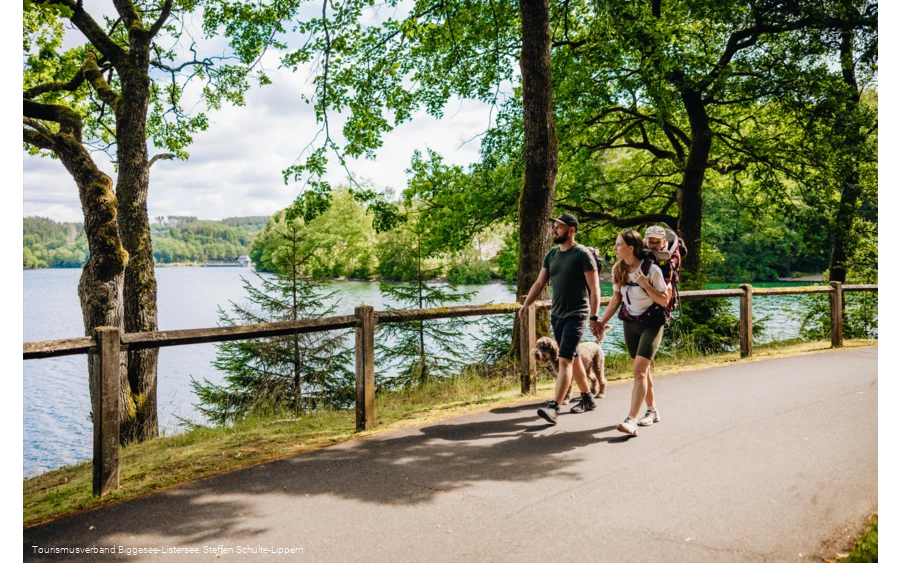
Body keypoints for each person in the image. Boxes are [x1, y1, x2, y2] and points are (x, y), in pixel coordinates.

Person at [519, 213, 602, 425]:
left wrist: (594, 316)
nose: (554, 230)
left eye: (559, 227)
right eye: (554, 226)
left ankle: (555, 407)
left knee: (564, 359)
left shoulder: (582, 254)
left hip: (577, 315)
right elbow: (539, 284)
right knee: (573, 358)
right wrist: (527, 304)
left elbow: (594, 288)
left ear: (571, 230)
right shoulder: (551, 255)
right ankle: (587, 398)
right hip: (557, 315)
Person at [594, 229, 670, 436]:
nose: (615, 248)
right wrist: (600, 322)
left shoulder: (652, 270)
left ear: (630, 248)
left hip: (652, 323)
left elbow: (664, 300)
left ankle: (631, 420)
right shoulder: (619, 269)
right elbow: (616, 300)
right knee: (642, 371)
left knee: (638, 371)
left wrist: (645, 284)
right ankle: (652, 410)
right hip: (630, 323)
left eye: (618, 244)